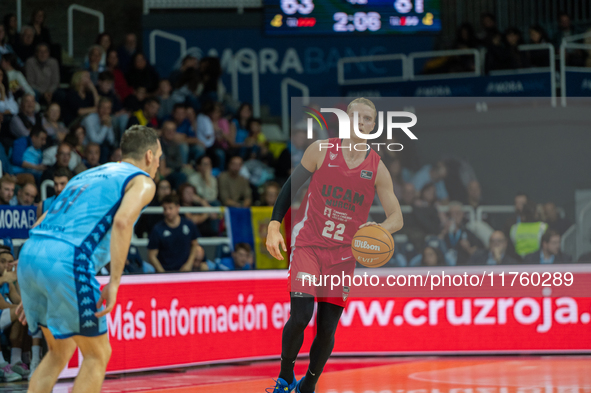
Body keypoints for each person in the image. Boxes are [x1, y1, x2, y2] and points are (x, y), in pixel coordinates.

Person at [265, 97, 403, 393]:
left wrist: (379, 228)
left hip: (343, 256)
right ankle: (285, 376)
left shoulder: (377, 168)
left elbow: (397, 218)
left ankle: (309, 384)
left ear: (374, 126)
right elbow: (291, 188)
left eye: (369, 119)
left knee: (327, 327)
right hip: (309, 245)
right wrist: (274, 225)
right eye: (358, 117)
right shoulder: (321, 150)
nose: (363, 123)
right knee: (301, 315)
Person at [17, 124, 160, 392]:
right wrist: (115, 282)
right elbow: (122, 223)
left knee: (59, 353)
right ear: (150, 156)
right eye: (160, 159)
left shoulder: (88, 175)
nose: (158, 166)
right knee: (98, 355)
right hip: (67, 261)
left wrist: (35, 278)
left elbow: (46, 218)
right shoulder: (142, 180)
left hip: (32, 252)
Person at [147, 194, 204, 272]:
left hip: (185, 270)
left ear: (178, 208)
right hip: (166, 271)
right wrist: (162, 272)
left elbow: (195, 245)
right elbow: (152, 255)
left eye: (170, 208)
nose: (168, 212)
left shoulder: (188, 224)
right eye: (165, 209)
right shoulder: (157, 229)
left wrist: (189, 264)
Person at [0, 248, 29, 380]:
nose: (7, 265)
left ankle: (16, 361)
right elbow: (3, 306)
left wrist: (17, 280)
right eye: (2, 261)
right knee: (21, 312)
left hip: (2, 318)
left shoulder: (8, 282)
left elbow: (20, 301)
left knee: (25, 313)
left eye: (10, 262)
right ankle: (1, 364)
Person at [439, 201, 483, 265]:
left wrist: (468, 249)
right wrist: (445, 231)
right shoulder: (443, 232)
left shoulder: (468, 233)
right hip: (444, 268)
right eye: (451, 214)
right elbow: (435, 246)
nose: (454, 216)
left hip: (463, 267)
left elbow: (480, 252)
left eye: (457, 213)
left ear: (462, 215)